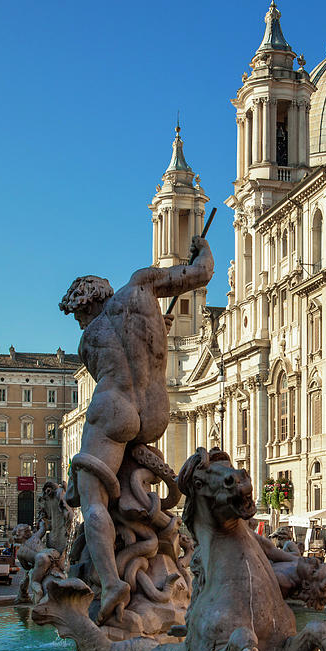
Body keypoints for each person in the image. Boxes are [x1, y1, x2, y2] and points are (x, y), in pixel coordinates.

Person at [59, 235, 214, 624]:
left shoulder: (88, 339)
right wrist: (201, 249)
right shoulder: (142, 286)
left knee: (92, 500)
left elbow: (111, 373)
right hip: (156, 411)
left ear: (87, 301)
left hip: (115, 409)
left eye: (78, 314)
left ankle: (112, 582)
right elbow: (201, 273)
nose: (79, 323)